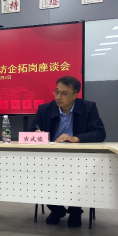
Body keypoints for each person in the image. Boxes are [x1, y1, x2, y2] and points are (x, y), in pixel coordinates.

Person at [30, 76, 106, 227]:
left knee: (80, 176)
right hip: (51, 157)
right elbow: (32, 130)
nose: (58, 96)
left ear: (75, 95)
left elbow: (100, 133)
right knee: (42, 175)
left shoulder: (88, 107)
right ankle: (57, 209)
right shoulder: (45, 109)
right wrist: (37, 134)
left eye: (64, 93)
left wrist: (76, 138)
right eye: (56, 91)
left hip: (78, 158)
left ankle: (75, 210)